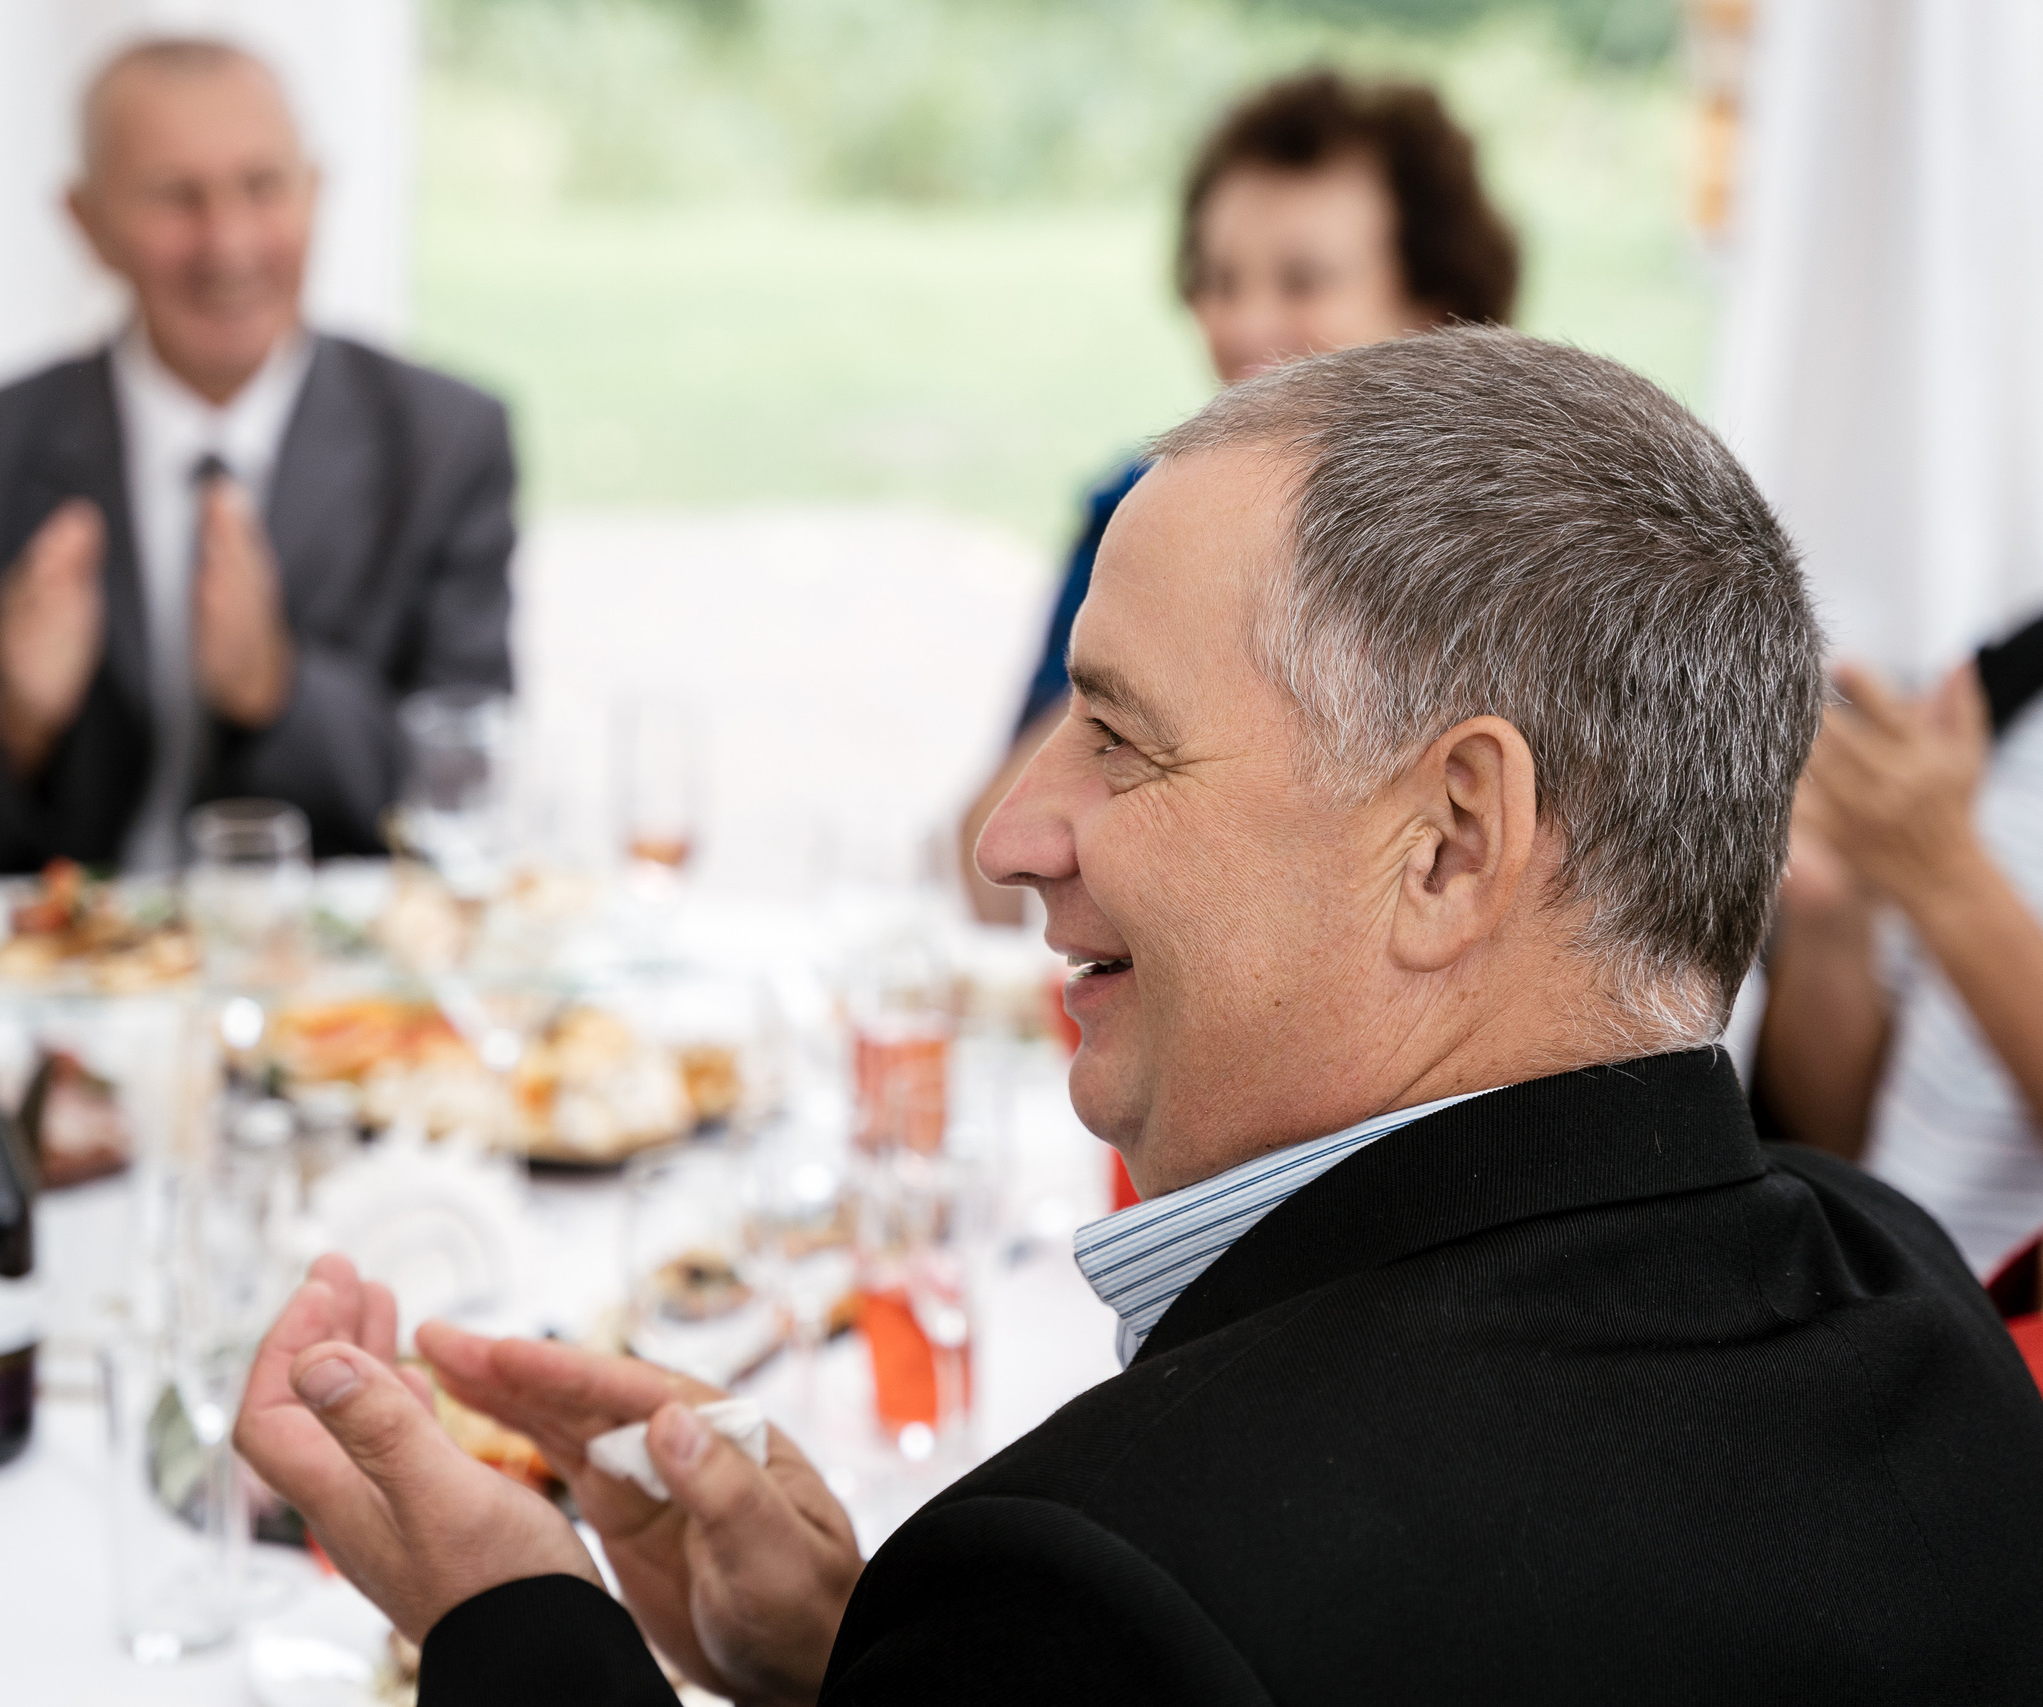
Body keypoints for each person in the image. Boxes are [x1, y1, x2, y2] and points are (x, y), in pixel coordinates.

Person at [234, 331, 2043, 1703]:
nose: (1017, 835)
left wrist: (518, 1621)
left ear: (1450, 844)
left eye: (1121, 733)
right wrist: (870, 1661)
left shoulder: (1106, 1572)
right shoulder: (1919, 1312)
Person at [0, 37, 515, 872]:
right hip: (68, 970)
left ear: (315, 194)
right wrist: (14, 719)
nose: (229, 245)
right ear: (88, 222)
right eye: (177, 198)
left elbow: (466, 792)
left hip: (334, 986)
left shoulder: (443, 442)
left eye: (262, 187)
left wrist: (278, 687)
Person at [962, 71, 1518, 921]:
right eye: (1219, 281)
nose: (1246, 324)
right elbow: (985, 870)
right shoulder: (1137, 512)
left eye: (1302, 281)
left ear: (1433, 305)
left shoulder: (1518, 550)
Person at [1757, 613, 2043, 1281]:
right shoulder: (2017, 674)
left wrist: (1944, 875)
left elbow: (1938, 870)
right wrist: (1834, 918)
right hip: (1899, 1311)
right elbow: (1845, 1138)